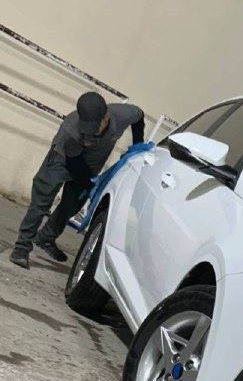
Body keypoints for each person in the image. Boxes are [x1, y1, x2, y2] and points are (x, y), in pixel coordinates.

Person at [10, 91, 145, 269]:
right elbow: (75, 162)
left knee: (71, 206)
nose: (88, 133)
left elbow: (139, 116)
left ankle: (46, 237)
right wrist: (89, 184)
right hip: (62, 159)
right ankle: (21, 247)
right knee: (41, 201)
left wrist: (137, 145)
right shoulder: (71, 128)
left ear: (106, 117)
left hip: (90, 165)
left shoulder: (123, 114)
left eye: (93, 127)